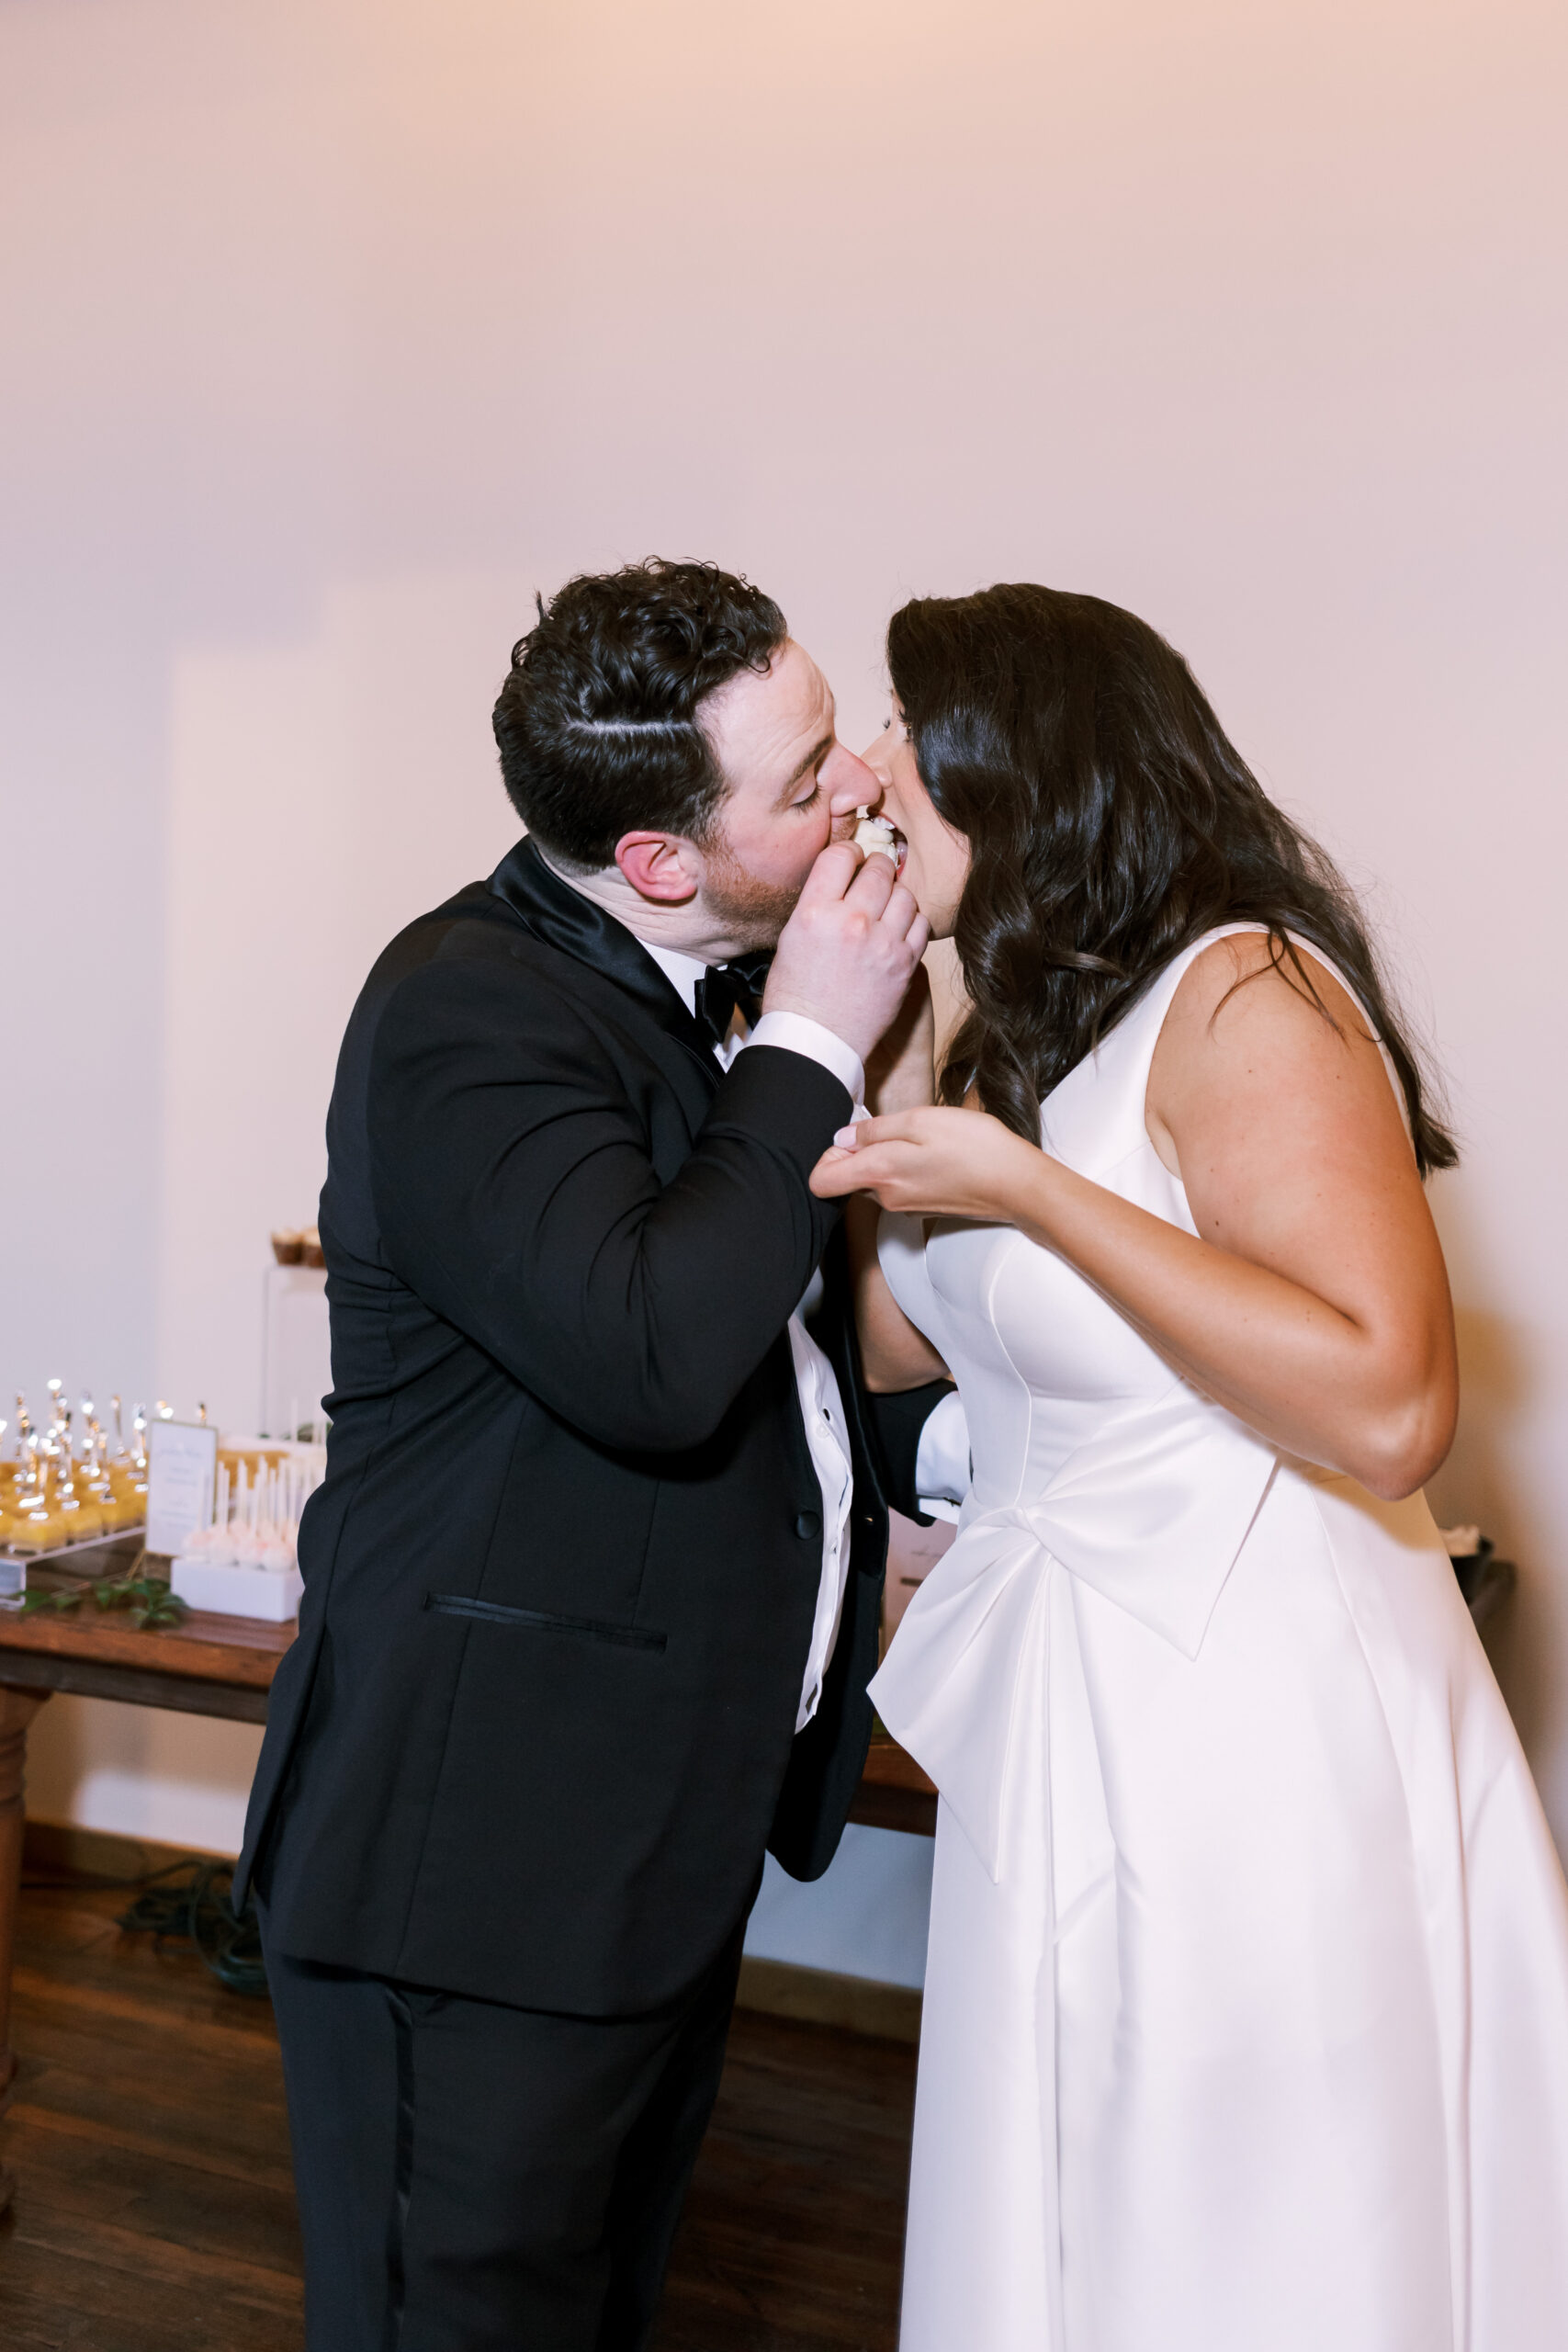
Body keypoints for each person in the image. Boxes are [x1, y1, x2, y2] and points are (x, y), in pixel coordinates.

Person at [812, 583, 1568, 2352]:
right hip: (1089, 1706)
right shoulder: (1031, 1033)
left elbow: (1389, 1405)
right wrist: (868, 1052)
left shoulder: (1244, 989)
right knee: (1093, 2187)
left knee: (1248, 2209)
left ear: (1027, 760)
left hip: (1251, 1704)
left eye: (907, 740)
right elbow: (908, 1345)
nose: (866, 779)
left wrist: (1030, 1192)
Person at [236, 560, 962, 2350]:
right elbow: (652, 1350)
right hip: (476, 1868)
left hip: (639, 1844)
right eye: (805, 783)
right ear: (656, 859)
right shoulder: (467, 1009)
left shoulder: (686, 994)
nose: (859, 782)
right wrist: (810, 1034)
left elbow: (795, 1352)